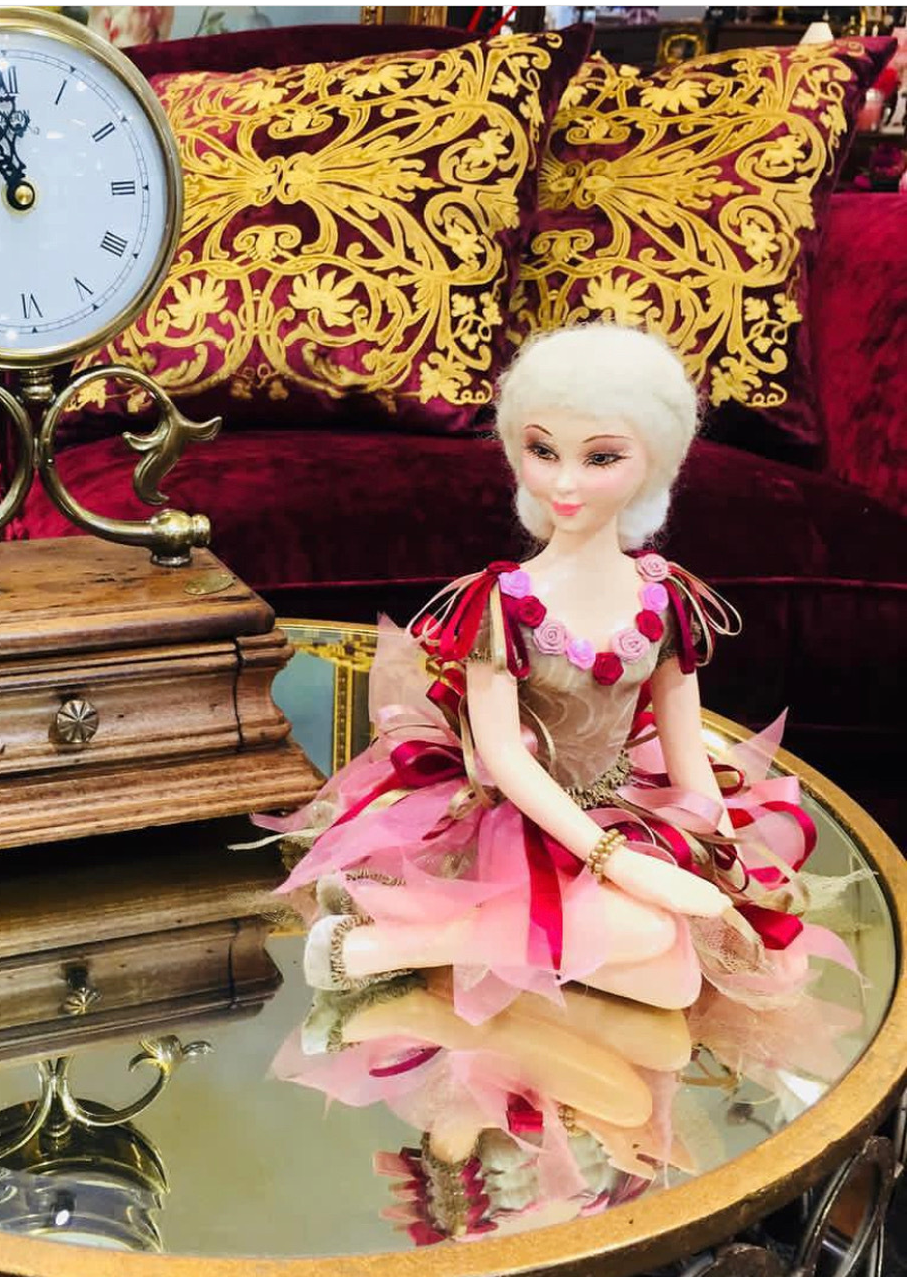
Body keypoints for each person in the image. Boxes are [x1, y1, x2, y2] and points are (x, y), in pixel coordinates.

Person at [259, 323, 853, 1026]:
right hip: (517, 815)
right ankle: (386, 945)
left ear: (654, 461)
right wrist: (615, 861)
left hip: (623, 799)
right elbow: (506, 759)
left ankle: (407, 933)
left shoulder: (664, 597)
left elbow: (688, 753)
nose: (564, 482)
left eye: (601, 457)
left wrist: (724, 858)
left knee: (676, 983)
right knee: (655, 939)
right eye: (543, 451)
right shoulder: (500, 602)